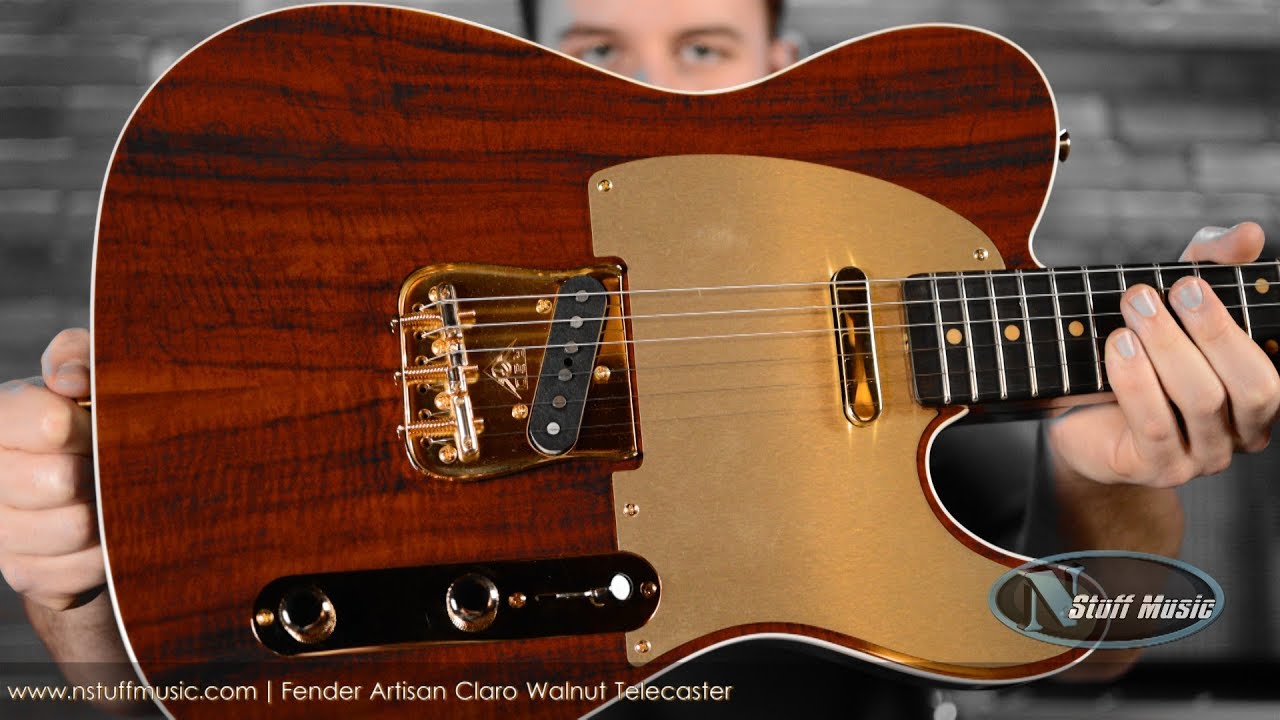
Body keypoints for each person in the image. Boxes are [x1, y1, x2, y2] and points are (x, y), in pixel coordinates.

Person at [2, 0, 1276, 716]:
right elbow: (208, 704)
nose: (662, 88)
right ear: (534, 64)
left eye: (706, 51)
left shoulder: (925, 292)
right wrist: (79, 610)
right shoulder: (414, 257)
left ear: (793, 69)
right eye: (600, 53)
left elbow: (1089, 642)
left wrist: (1109, 466)